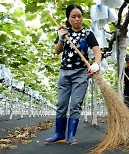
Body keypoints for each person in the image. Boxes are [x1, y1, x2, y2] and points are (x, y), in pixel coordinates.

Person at [45, 4, 102, 145]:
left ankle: (71, 135)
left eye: (79, 16)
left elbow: (97, 51)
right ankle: (59, 134)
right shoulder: (64, 32)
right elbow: (57, 51)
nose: (77, 19)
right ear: (68, 19)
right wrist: (61, 39)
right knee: (61, 104)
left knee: (75, 104)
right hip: (64, 72)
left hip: (81, 73)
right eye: (73, 17)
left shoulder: (88, 34)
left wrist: (96, 64)